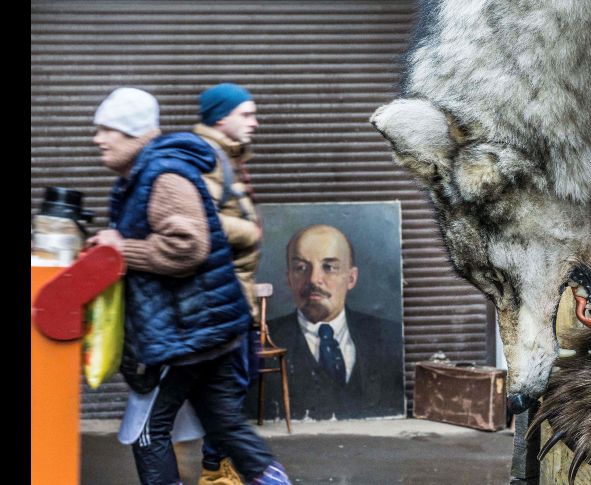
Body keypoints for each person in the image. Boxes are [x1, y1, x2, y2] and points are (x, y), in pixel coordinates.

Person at [87, 87, 290, 485]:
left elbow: (188, 248)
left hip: (187, 331)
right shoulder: (142, 175)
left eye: (106, 129)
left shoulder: (162, 175)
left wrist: (121, 250)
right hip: (206, 324)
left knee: (149, 433)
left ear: (132, 132)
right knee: (225, 425)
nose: (98, 139)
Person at [192, 83, 264, 485]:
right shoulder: (209, 157)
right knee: (228, 387)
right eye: (246, 114)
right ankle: (216, 471)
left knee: (236, 383)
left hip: (235, 293)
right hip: (223, 295)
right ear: (222, 117)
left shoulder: (227, 156)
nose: (254, 122)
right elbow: (198, 221)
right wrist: (248, 232)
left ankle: (221, 465)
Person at [264, 224, 404, 420]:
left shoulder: (390, 337)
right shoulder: (262, 343)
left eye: (329, 267)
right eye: (301, 268)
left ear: (351, 278)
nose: (314, 280)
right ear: (289, 279)